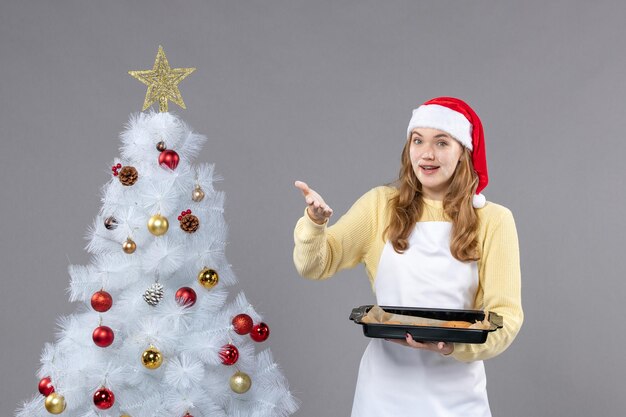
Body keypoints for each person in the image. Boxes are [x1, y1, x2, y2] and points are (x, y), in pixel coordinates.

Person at [292, 97, 523, 417]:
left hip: (456, 397)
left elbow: (505, 317)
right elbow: (316, 264)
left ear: (463, 152)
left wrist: (453, 345)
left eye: (441, 142)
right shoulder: (380, 205)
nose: (427, 153)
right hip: (384, 395)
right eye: (418, 141)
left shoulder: (494, 220)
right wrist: (315, 224)